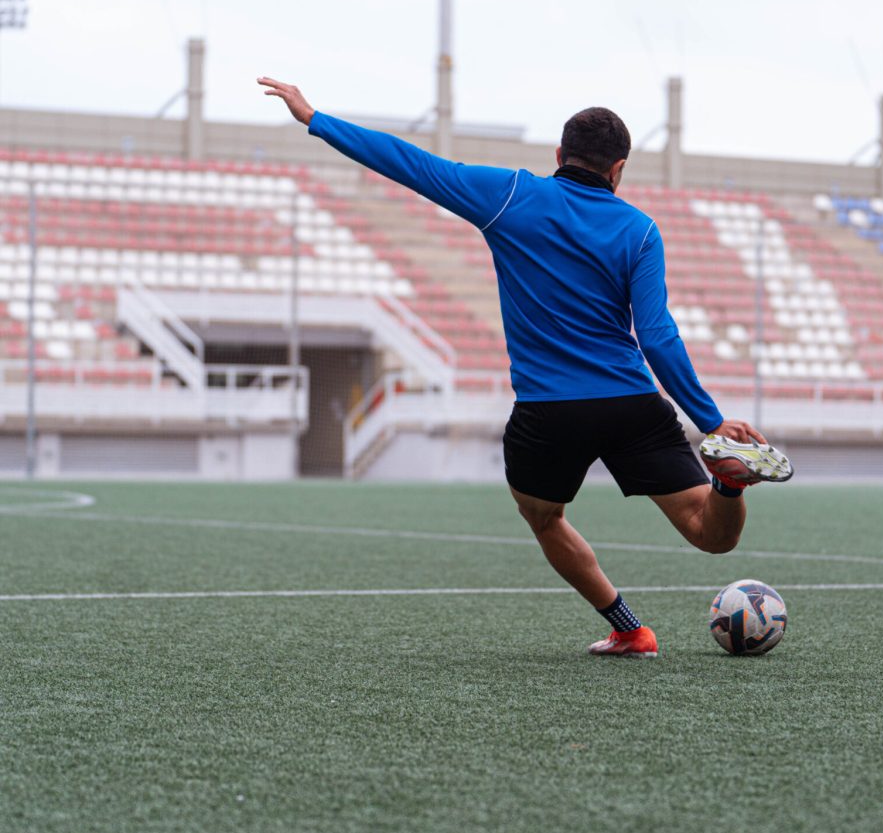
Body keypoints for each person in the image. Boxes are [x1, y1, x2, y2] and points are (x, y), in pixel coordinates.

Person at [259, 77, 793, 658]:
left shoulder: (510, 196)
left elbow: (412, 164)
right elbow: (657, 335)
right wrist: (710, 422)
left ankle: (629, 628)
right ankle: (728, 483)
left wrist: (315, 117)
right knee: (706, 531)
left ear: (559, 156)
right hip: (629, 403)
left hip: (548, 411)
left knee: (544, 518)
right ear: (619, 169)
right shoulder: (639, 230)